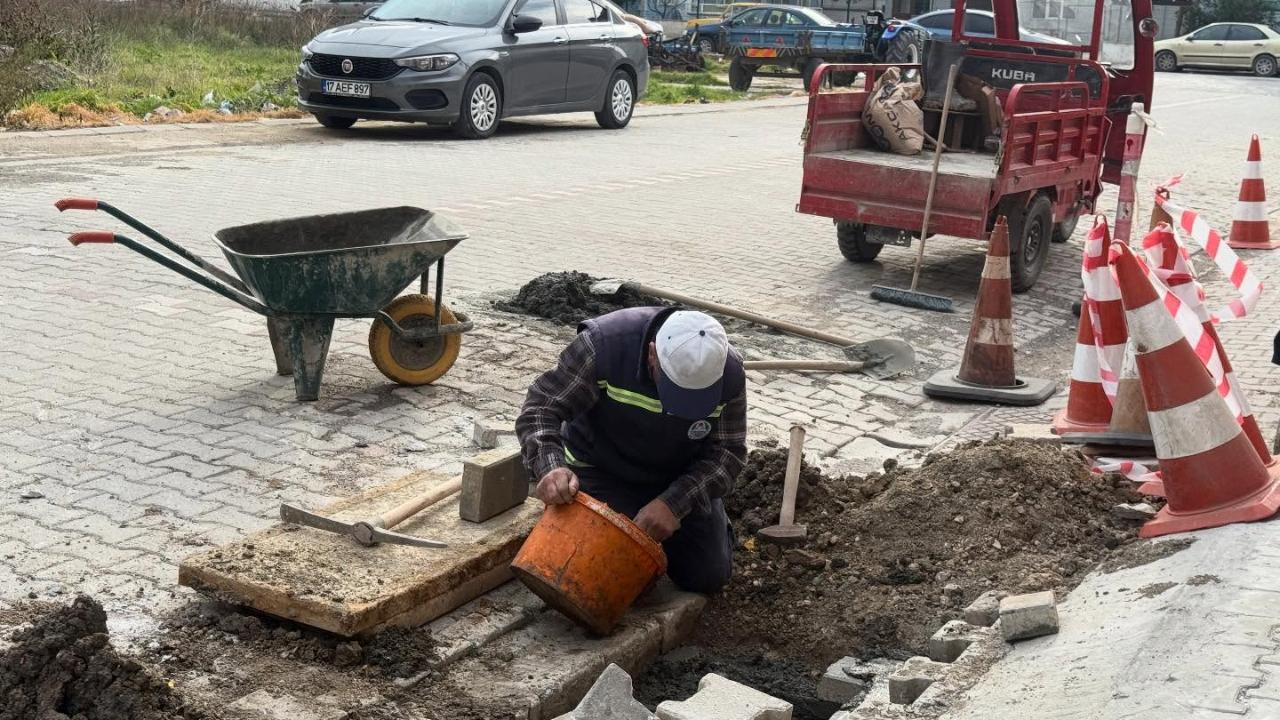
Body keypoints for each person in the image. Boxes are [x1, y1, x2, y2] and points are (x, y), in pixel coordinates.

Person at [516, 307, 747, 594]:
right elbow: (541, 409)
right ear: (653, 354)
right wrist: (550, 467)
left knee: (707, 576)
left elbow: (728, 453)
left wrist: (674, 504)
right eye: (675, 390)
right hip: (604, 470)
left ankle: (701, 528)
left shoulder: (730, 374)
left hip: (678, 478)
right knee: (600, 577)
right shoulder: (603, 346)